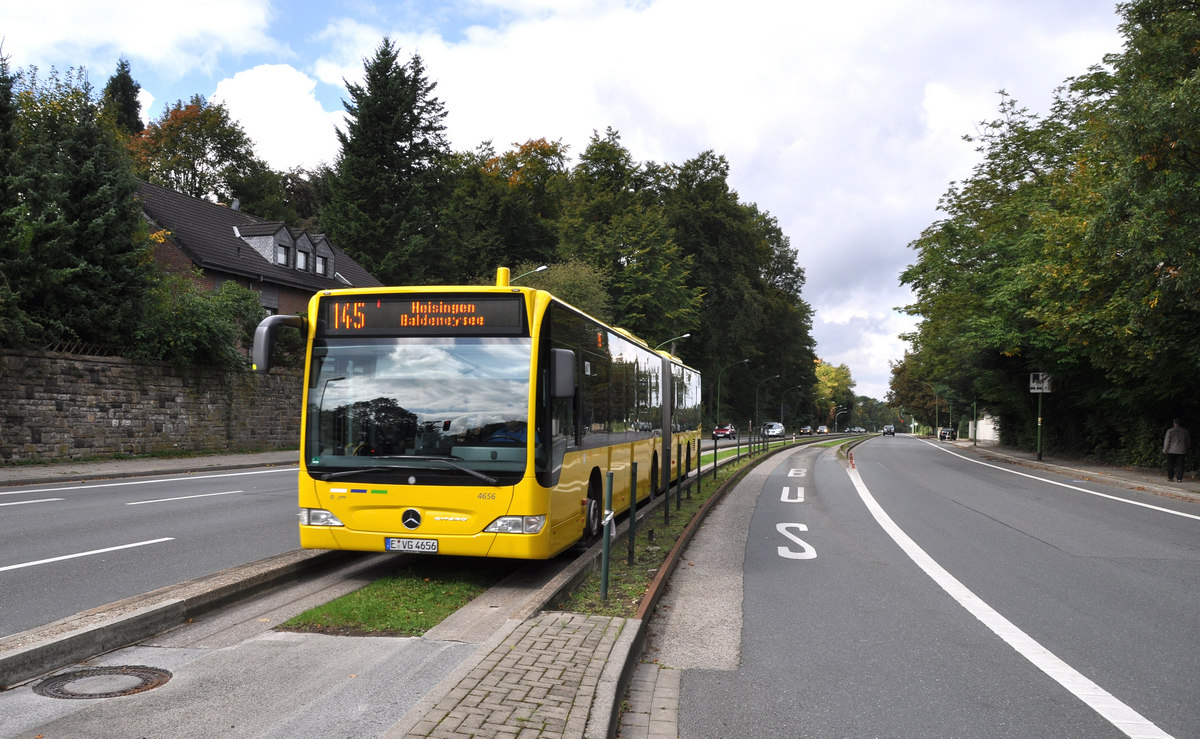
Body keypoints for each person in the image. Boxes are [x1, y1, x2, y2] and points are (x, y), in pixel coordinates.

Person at [1164, 418, 1190, 482]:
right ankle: (1179, 478)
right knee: (1180, 465)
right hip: (1181, 450)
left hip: (1171, 450)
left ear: (1174, 423)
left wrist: (1165, 449)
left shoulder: (1170, 431)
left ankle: (1170, 478)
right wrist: (1187, 448)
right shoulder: (1185, 431)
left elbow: (1167, 441)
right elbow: (1188, 442)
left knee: (1170, 464)